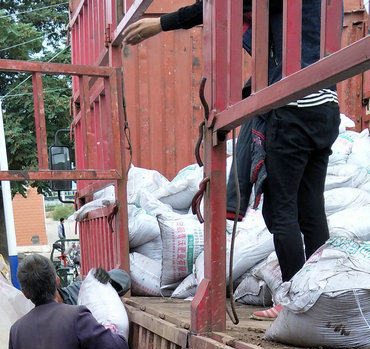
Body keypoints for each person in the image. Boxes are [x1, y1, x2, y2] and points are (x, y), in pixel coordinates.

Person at [124, 1, 340, 320]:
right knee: (311, 211)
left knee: (280, 209)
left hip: (292, 106)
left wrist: (162, 24)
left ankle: (294, 302)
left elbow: (223, 4)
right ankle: (321, 295)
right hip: (326, 106)